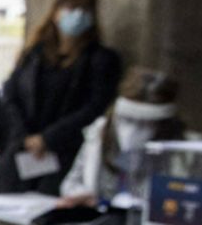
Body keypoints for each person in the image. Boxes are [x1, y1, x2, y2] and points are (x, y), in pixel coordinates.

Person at [0, 0, 122, 195]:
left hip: (65, 153)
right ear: (56, 13)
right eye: (71, 8)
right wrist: (24, 137)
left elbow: (95, 107)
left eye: (85, 11)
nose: (77, 16)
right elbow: (10, 96)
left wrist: (49, 138)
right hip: (21, 150)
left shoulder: (101, 60)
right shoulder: (33, 55)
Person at [60, 67, 189, 207]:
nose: (132, 132)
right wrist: (82, 195)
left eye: (144, 124)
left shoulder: (183, 153)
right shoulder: (98, 134)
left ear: (162, 124)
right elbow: (71, 183)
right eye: (127, 120)